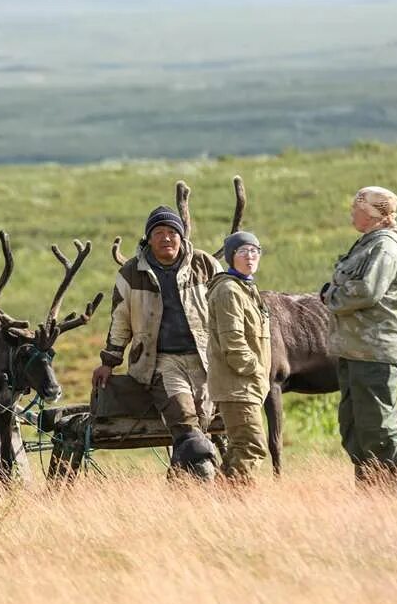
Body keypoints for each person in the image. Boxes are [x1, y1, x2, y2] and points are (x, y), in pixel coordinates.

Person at [92, 205, 222, 478]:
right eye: (159, 232)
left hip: (204, 359)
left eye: (172, 232)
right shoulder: (131, 273)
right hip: (159, 362)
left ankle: (180, 481)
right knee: (185, 419)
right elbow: (120, 320)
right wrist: (109, 361)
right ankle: (208, 477)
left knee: (202, 420)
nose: (166, 238)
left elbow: (225, 311)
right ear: (148, 239)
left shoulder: (205, 265)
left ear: (182, 236)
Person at [320, 186, 397, 492]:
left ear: (372, 213)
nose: (352, 212)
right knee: (354, 423)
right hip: (356, 348)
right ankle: (368, 487)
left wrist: (330, 296)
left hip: (376, 349)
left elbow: (367, 291)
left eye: (356, 207)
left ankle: (389, 488)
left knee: (377, 423)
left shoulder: (384, 248)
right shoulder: (367, 244)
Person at [206, 231, 271, 483]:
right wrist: (255, 370)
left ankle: (224, 505)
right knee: (251, 446)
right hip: (238, 385)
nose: (250, 256)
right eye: (243, 251)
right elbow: (233, 343)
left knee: (238, 447)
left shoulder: (246, 288)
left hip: (247, 385)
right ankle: (238, 500)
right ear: (231, 257)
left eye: (255, 250)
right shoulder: (228, 291)